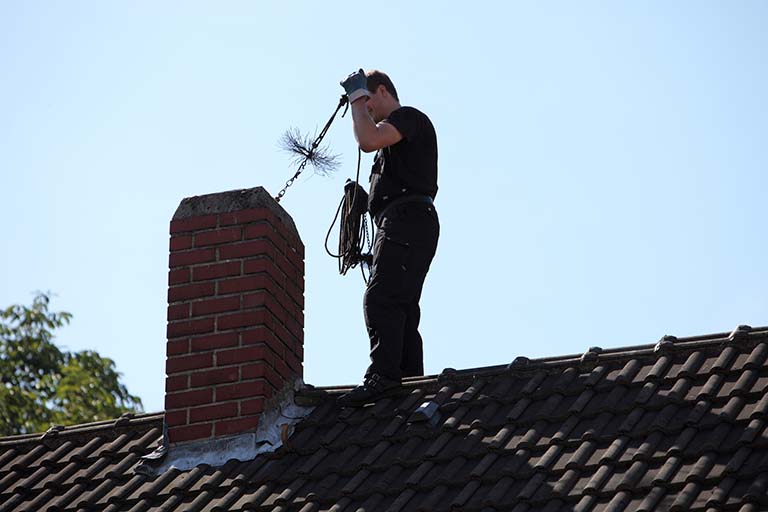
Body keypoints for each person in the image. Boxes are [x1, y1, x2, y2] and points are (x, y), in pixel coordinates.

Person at [336, 69, 440, 406]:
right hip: (404, 222)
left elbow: (367, 140)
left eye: (369, 102)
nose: (366, 112)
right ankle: (409, 382)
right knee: (402, 306)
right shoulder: (392, 146)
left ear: (381, 91)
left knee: (380, 298)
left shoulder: (408, 118)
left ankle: (384, 377)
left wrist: (355, 99)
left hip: (407, 221)